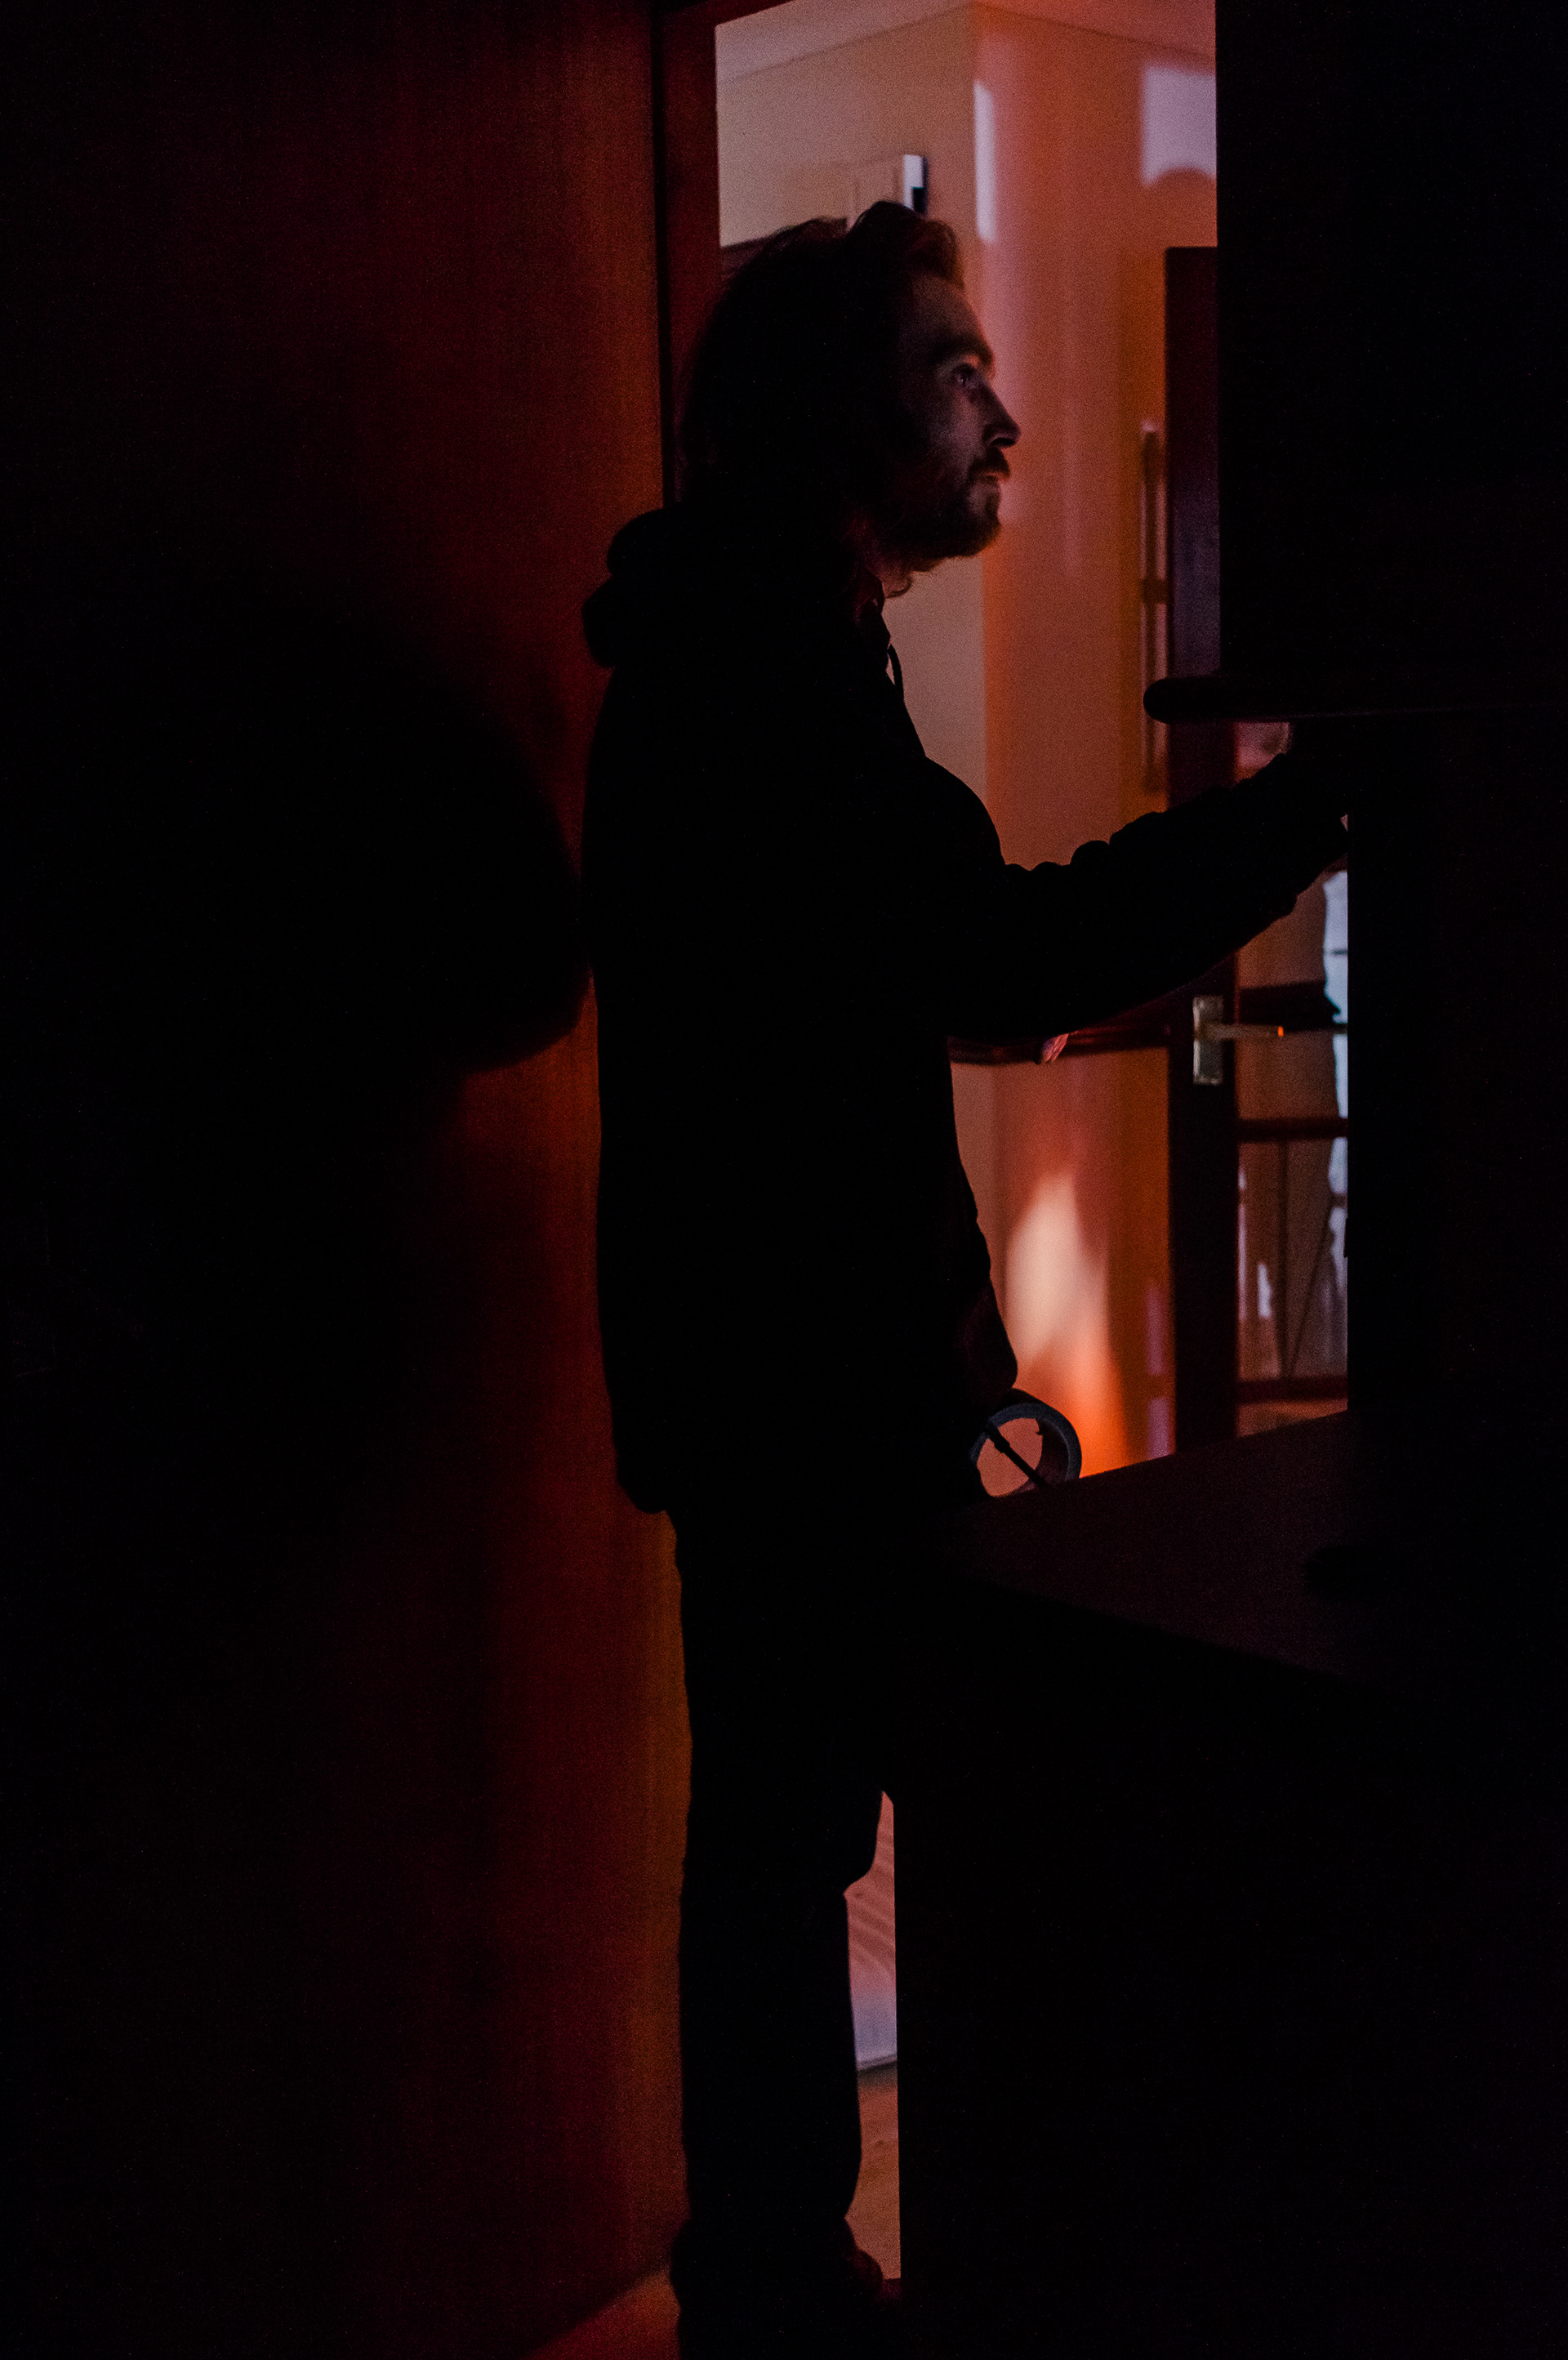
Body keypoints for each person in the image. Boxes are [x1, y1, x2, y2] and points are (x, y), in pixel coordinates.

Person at [581, 205, 1347, 2358]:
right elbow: (1000, 955)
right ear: (842, 416)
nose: (1003, 414)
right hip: (815, 1387)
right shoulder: (772, 683)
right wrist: (1313, 812)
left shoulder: (738, 656)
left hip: (761, 1378)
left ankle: (778, 2279)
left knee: (781, 1838)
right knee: (904, 1833)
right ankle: (902, 2280)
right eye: (957, 369)